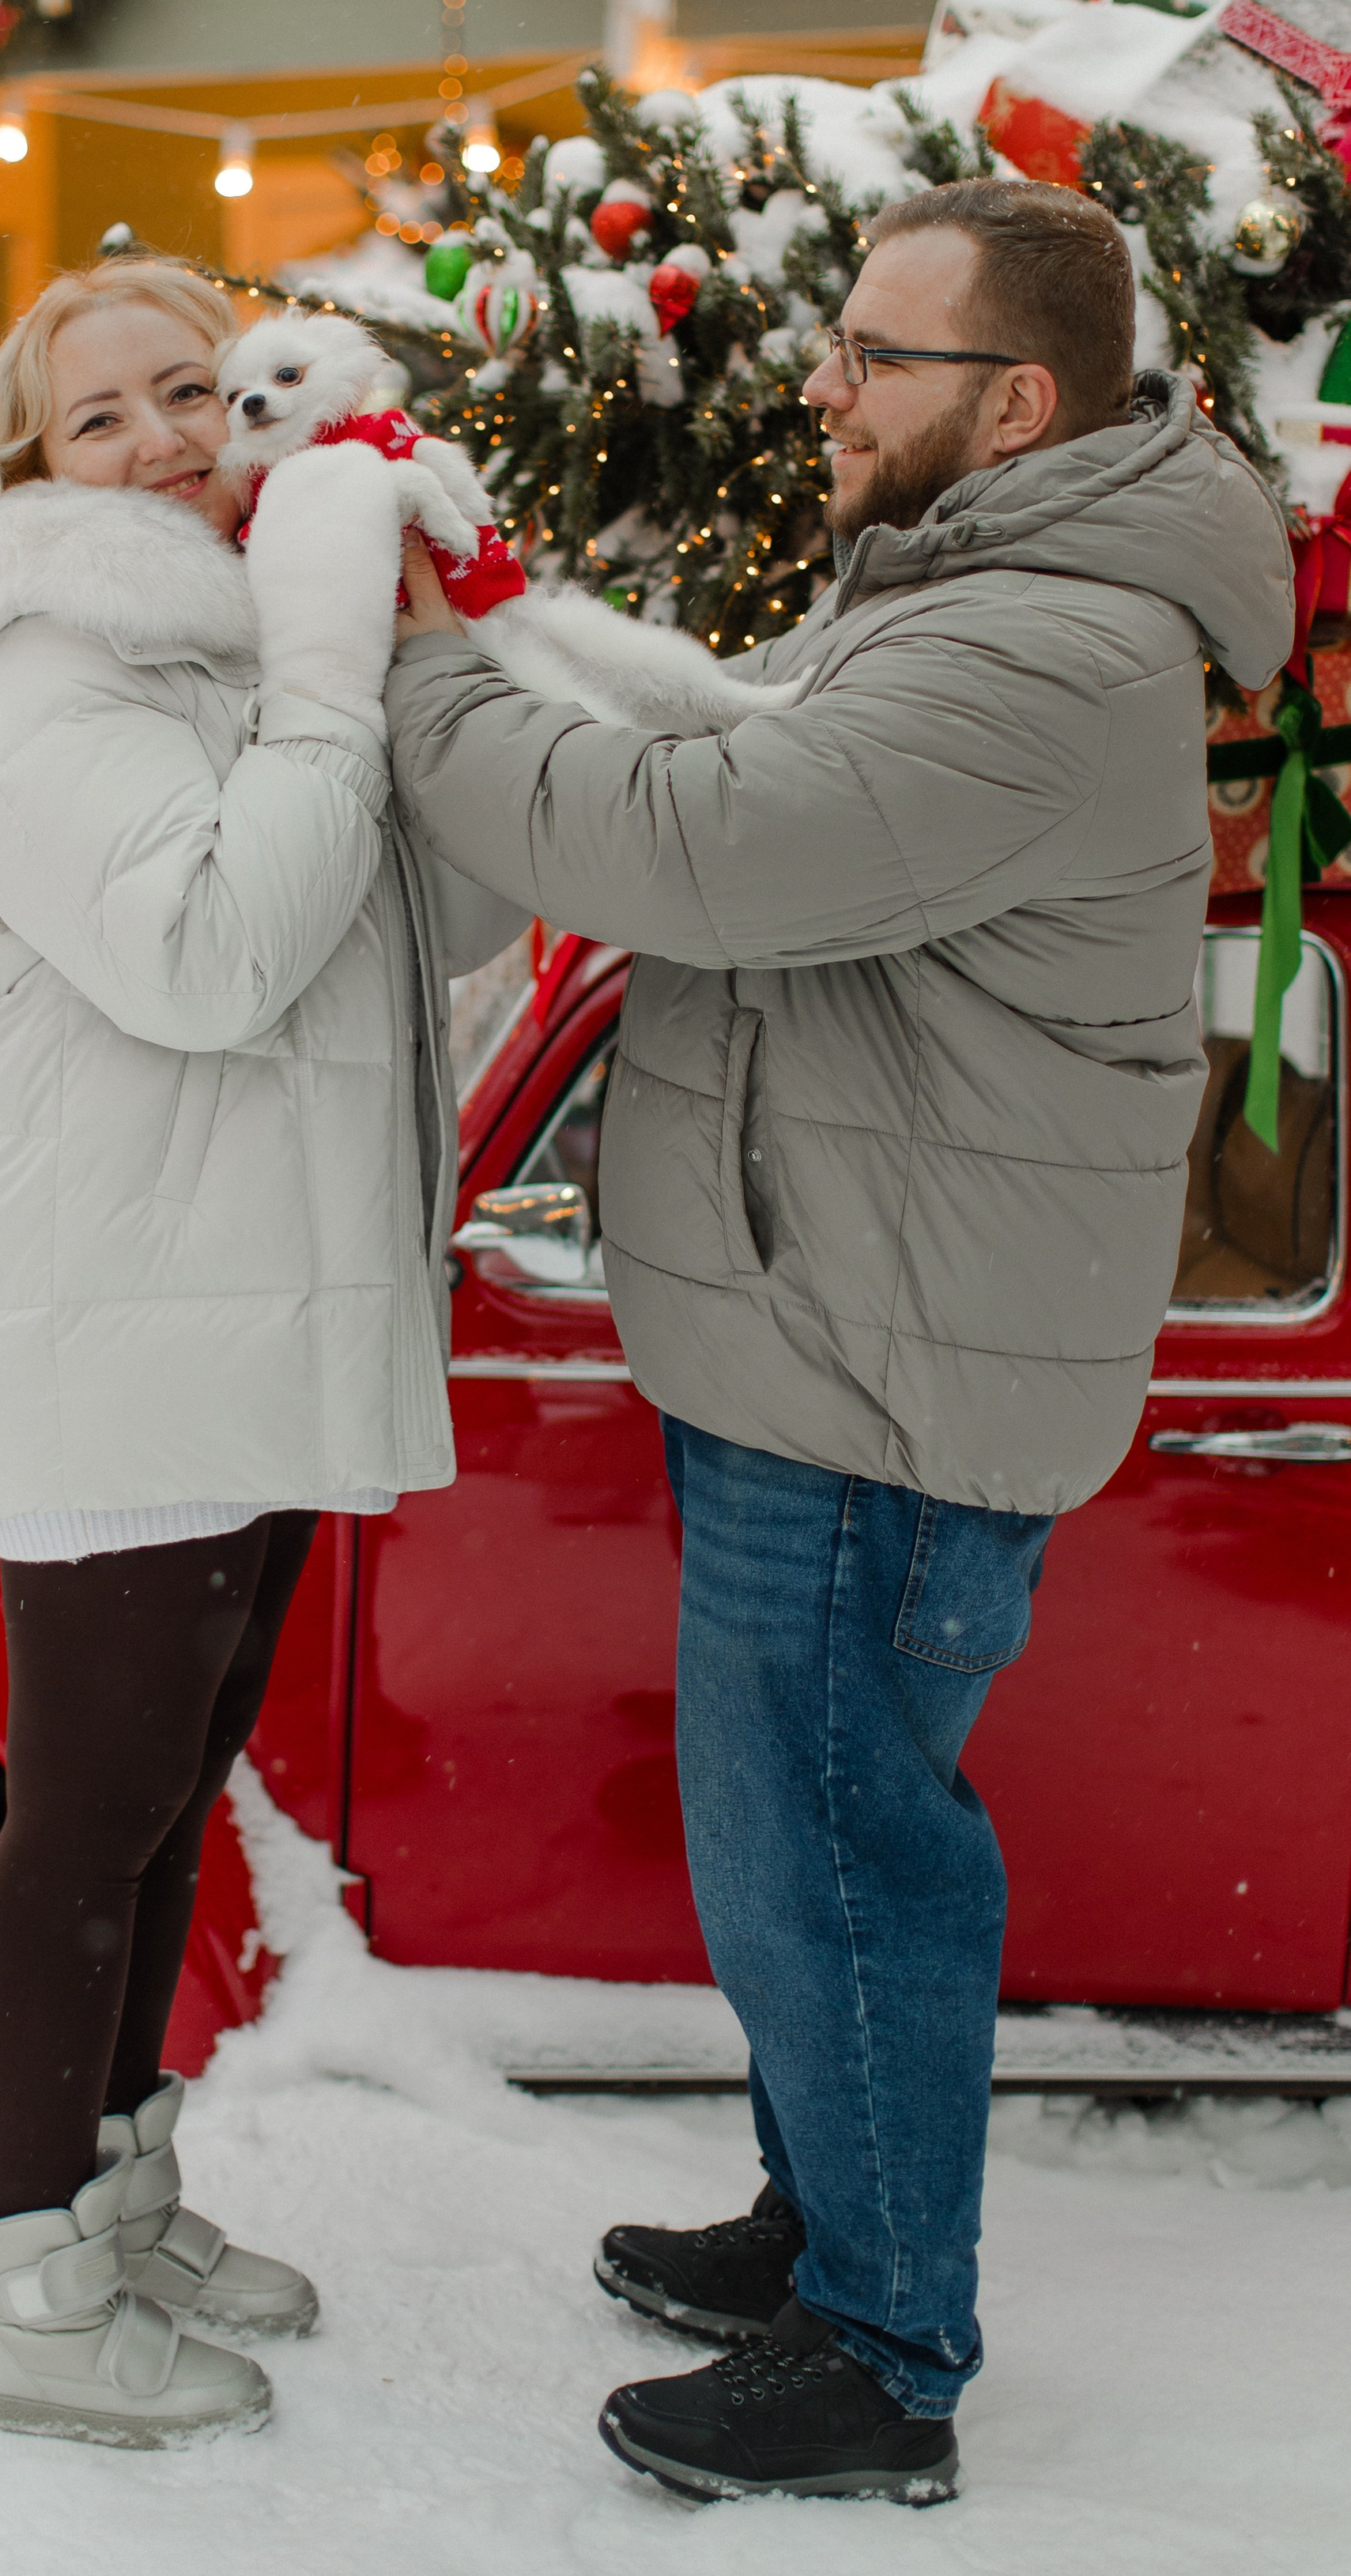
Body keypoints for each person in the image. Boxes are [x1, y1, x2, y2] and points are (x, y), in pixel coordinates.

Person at [383, 179, 1293, 2505]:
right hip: (843, 1320)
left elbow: (683, 845)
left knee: (843, 1852)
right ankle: (830, 2226)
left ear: (1023, 402)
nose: (821, 385)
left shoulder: (1048, 650)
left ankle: (885, 2355)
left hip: (886, 1370)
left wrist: (418, 662)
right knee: (794, 1835)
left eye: (876, 354)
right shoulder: (971, 590)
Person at [0, 255, 523, 2450]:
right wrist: (328, 677)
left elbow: (449, 924)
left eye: (197, 390)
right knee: (89, 1815)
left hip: (220, 1304)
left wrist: (403, 662)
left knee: (162, 1810)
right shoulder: (63, 695)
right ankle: (22, 2295)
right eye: (102, 416)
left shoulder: (224, 667)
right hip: (117, 1328)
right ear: (27, 477)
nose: (166, 440)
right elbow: (223, 958)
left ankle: (111, 2202)